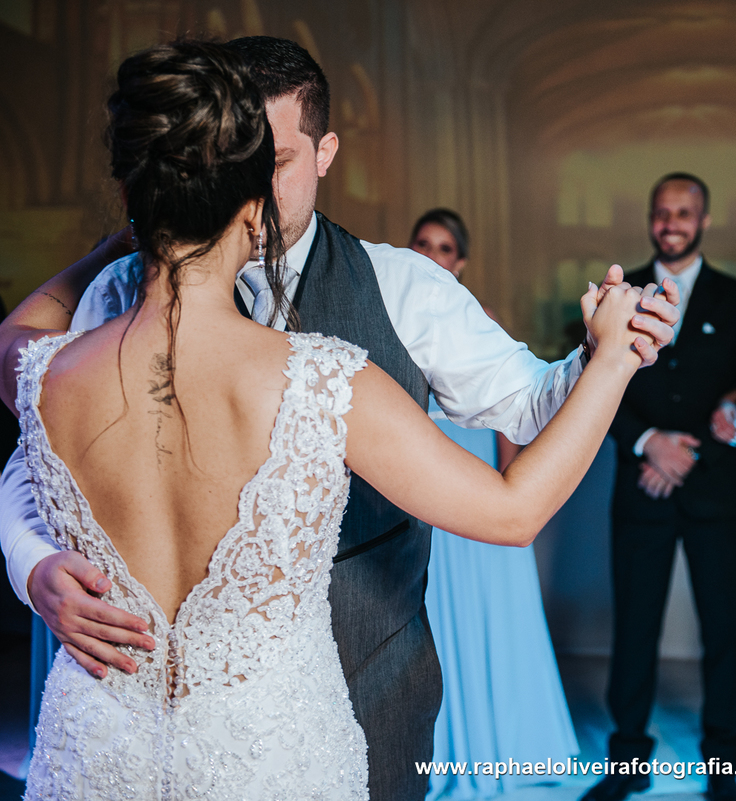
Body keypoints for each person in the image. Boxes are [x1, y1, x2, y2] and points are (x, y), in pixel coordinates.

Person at [0, 37, 680, 801]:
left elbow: (526, 397)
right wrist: (618, 357)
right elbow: (31, 471)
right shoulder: (320, 377)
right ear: (241, 199)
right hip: (271, 755)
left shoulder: (44, 365)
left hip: (175, 734)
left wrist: (588, 361)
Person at [581, 174, 736, 801]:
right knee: (634, 628)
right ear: (650, 218)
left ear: (704, 220)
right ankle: (626, 766)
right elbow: (589, 382)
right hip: (641, 488)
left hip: (716, 492)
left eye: (683, 212)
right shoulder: (618, 294)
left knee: (724, 630)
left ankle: (725, 771)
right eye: (662, 212)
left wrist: (707, 440)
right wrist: (648, 444)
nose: (672, 222)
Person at [408, 208, 578, 799]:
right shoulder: (388, 319)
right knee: (430, 616)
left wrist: (512, 485)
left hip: (473, 480)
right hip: (415, 486)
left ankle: (500, 745)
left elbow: (511, 419)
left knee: (487, 614)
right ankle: (439, 748)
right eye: (424, 245)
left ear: (462, 261)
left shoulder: (478, 319)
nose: (434, 256)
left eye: (446, 248)